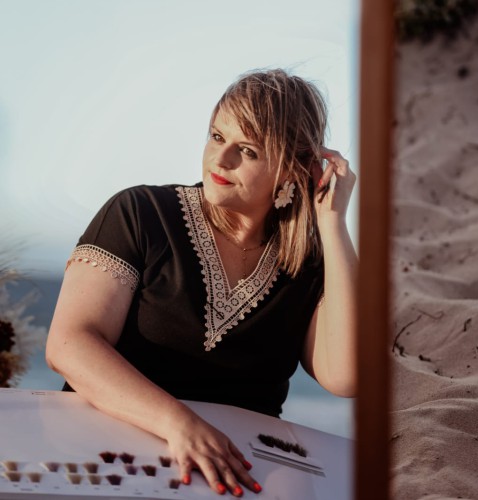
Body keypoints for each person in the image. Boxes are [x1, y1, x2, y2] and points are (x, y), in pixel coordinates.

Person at [46, 68, 357, 497]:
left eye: (247, 150)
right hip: (103, 466)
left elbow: (347, 376)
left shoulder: (308, 263)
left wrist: (333, 225)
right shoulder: (141, 213)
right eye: (216, 137)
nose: (220, 160)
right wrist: (179, 424)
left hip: (233, 480)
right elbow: (69, 345)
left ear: (293, 167)